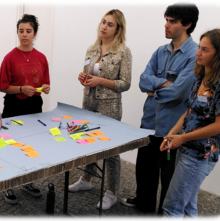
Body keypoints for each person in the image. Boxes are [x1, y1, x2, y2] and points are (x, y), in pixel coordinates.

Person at [120, 1, 199, 220]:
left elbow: (179, 93)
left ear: (187, 24)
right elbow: (143, 81)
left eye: (172, 21)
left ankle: (165, 213)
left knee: (169, 175)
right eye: (166, 20)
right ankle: (144, 202)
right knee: (145, 168)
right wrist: (163, 85)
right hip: (149, 122)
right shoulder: (160, 51)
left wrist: (155, 90)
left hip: (171, 128)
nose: (166, 25)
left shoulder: (193, 56)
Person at [160, 28, 220, 221]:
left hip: (200, 154)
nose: (198, 53)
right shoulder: (201, 77)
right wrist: (172, 134)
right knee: (186, 207)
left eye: (205, 50)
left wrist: (183, 138)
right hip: (186, 148)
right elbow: (190, 111)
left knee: (172, 207)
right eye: (200, 48)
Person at [68, 9, 131, 211]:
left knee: (111, 151)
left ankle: (112, 192)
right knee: (88, 141)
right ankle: (87, 179)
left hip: (109, 105)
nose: (104, 27)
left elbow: (125, 83)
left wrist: (101, 81)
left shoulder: (123, 51)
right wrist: (83, 78)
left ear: (118, 28)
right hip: (89, 101)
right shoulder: (92, 48)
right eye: (103, 22)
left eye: (110, 24)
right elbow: (88, 74)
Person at [0, 14, 50, 205]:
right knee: (10, 145)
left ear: (35, 33)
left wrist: (44, 88)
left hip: (34, 106)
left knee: (31, 146)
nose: (24, 35)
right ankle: (7, 184)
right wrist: (20, 88)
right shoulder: (10, 57)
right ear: (17, 33)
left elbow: (45, 83)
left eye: (28, 31)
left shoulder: (42, 58)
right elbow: (3, 86)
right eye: (21, 31)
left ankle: (27, 181)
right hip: (14, 105)